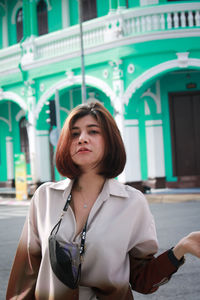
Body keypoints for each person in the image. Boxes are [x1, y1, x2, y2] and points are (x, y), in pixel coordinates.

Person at [6, 101, 200, 300]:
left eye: (93, 131)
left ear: (109, 141)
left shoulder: (132, 202)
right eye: (74, 134)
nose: (82, 139)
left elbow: (142, 279)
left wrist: (182, 247)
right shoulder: (44, 197)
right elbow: (26, 275)